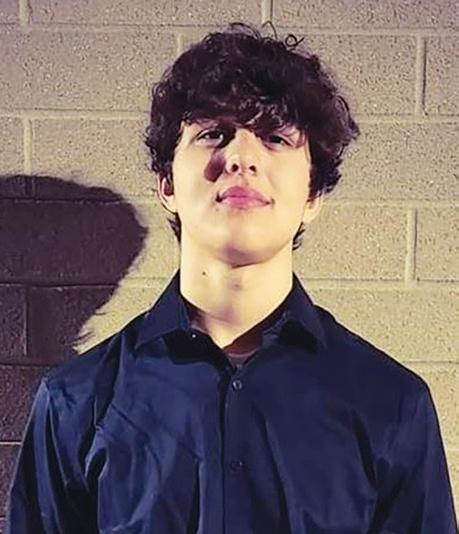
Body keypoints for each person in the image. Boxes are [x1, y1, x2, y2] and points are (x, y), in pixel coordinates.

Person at [6, 22, 457, 534]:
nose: (241, 157)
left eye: (275, 137)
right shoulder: (75, 403)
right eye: (213, 134)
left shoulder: (391, 404)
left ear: (313, 193)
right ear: (168, 184)